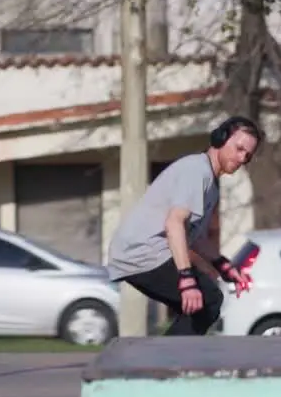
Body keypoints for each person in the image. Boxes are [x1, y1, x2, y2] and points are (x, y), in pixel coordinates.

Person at [106, 116, 261, 336]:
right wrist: (186, 278)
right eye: (239, 148)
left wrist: (224, 266)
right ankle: (164, 364)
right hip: (143, 252)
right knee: (209, 300)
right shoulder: (197, 171)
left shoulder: (210, 182)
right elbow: (174, 223)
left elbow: (194, 236)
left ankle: (168, 360)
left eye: (248, 155)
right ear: (220, 139)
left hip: (142, 252)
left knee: (196, 308)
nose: (242, 158)